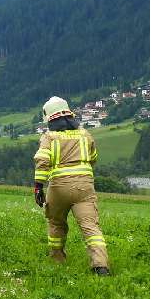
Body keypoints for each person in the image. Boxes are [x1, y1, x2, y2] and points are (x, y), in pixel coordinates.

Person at [33, 96, 110, 275]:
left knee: (56, 223)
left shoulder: (49, 137)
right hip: (84, 188)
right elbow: (93, 158)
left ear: (50, 119)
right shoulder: (85, 134)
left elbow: (42, 162)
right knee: (90, 226)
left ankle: (56, 259)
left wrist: (38, 187)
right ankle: (101, 265)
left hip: (59, 188)